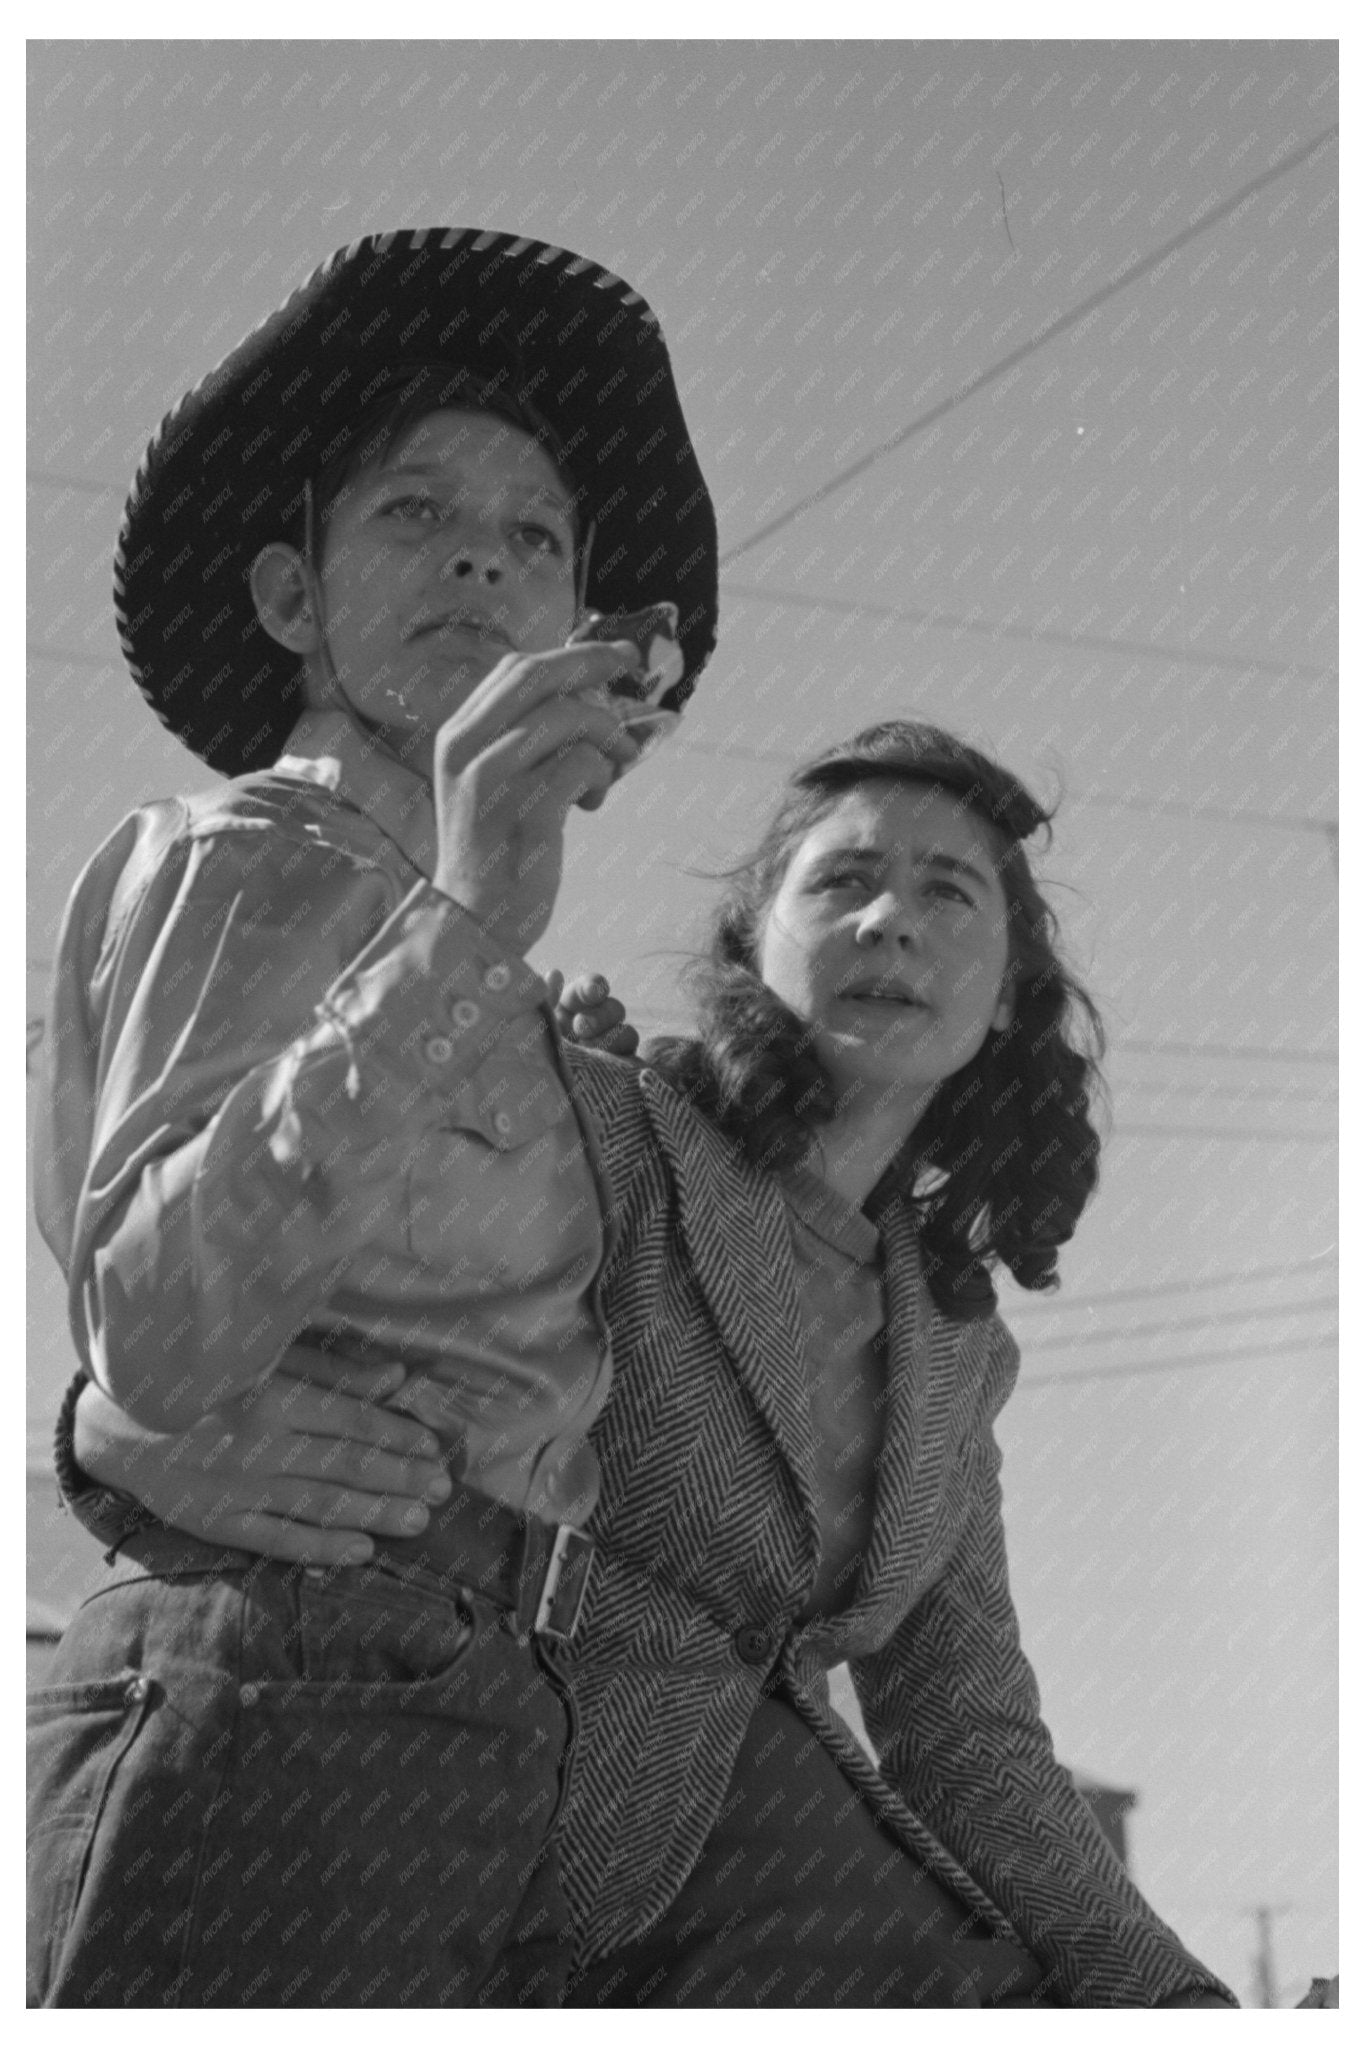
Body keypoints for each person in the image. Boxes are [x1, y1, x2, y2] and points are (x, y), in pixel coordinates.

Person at [56, 719, 1237, 2006]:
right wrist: (103, 1428)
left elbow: (967, 1738)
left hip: (705, 1908)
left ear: (1008, 986)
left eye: (948, 892)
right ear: (753, 941)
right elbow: (294, 1269)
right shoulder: (605, 1131)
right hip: (388, 1802)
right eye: (841, 880)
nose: (891, 921)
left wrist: (1179, 2003)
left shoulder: (956, 1352)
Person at [28, 225, 718, 2008]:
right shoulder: (245, 848)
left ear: (581, 637)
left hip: (483, 1712)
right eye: (414, 510)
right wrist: (474, 913)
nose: (484, 548)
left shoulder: (519, 990)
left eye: (536, 532)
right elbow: (158, 1320)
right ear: (288, 598)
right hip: (282, 1697)